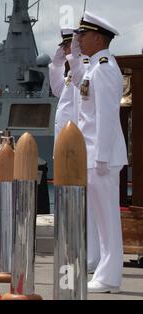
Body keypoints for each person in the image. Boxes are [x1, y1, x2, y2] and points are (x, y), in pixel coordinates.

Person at [67, 11, 128, 293]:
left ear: (97, 37)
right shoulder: (93, 67)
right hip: (92, 153)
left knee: (108, 219)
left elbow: (105, 115)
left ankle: (109, 276)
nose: (79, 40)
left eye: (83, 36)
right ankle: (105, 272)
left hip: (101, 155)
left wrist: (101, 155)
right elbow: (81, 92)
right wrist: (72, 57)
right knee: (101, 219)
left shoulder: (104, 68)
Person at [49, 28, 89, 140]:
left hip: (76, 138)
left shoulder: (86, 69)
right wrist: (57, 65)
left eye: (68, 46)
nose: (65, 51)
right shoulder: (72, 73)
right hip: (65, 139)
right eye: (64, 47)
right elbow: (57, 90)